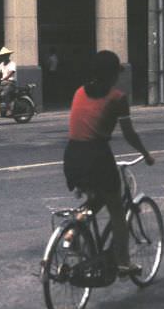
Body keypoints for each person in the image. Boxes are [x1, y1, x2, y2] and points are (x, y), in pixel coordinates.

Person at [63, 50, 155, 278]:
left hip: (72, 156)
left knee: (97, 198)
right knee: (116, 209)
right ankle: (124, 263)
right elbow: (129, 134)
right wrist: (145, 153)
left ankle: (74, 230)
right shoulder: (117, 98)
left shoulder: (79, 92)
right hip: (96, 156)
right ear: (113, 74)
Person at [0, 46, 17, 115]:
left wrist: (4, 78)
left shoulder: (12, 64)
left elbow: (11, 73)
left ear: (8, 55)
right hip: (2, 83)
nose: (4, 57)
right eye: (2, 56)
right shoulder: (1, 64)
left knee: (3, 94)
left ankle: (9, 109)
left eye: (5, 55)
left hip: (11, 83)